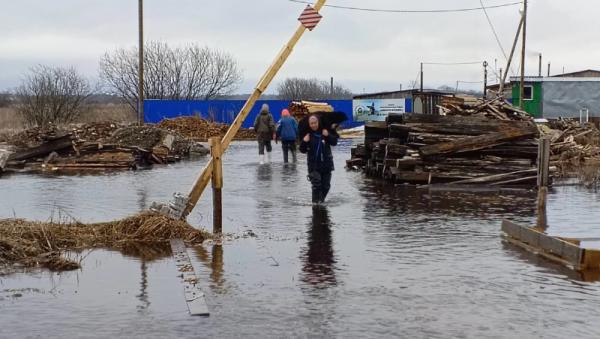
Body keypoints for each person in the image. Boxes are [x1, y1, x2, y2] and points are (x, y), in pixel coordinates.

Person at [299, 115, 338, 204]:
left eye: (315, 123)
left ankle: (321, 201)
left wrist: (328, 135)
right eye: (311, 123)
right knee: (316, 185)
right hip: (314, 166)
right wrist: (304, 141)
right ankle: (315, 205)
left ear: (318, 122)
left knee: (326, 186)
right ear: (309, 125)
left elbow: (334, 142)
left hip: (326, 165)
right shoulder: (308, 135)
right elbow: (302, 150)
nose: (313, 125)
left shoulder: (325, 132)